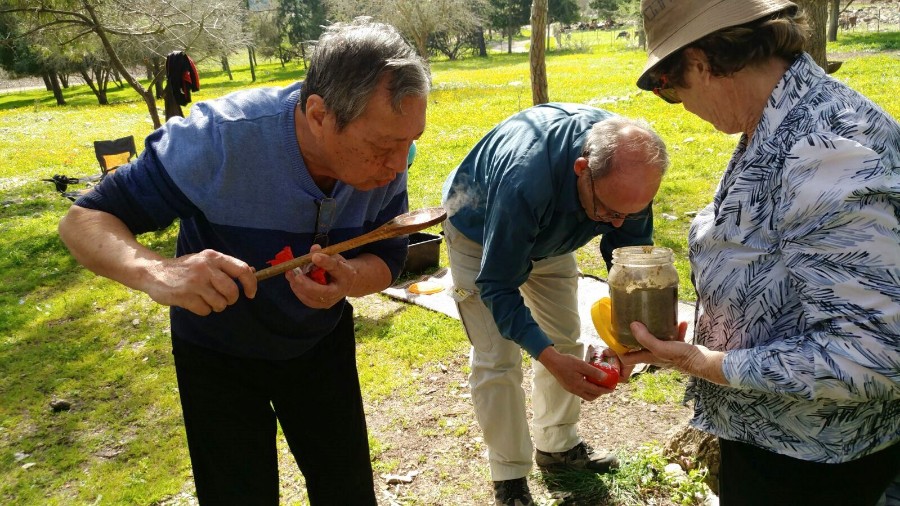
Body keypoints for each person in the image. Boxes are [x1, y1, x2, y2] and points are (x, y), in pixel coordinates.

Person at [57, 18, 429, 505]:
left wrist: (350, 280)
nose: (399, 165)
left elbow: (387, 252)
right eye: (384, 146)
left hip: (318, 344)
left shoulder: (388, 153)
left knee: (347, 491)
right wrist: (157, 271)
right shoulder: (219, 140)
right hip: (217, 351)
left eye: (410, 141)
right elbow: (84, 219)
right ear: (319, 114)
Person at [623, 1, 900, 504]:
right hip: (778, 440)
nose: (677, 102)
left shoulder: (823, 147)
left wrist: (709, 363)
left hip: (814, 462)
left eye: (668, 84)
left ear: (704, 61)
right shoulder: (778, 119)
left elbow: (876, 355)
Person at [441, 103, 670, 505]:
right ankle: (509, 477)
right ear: (582, 170)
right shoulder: (525, 179)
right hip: (480, 230)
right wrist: (545, 356)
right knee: (497, 356)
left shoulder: (631, 177)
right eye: (610, 212)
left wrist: (634, 334)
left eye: (630, 212)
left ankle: (557, 445)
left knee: (565, 337)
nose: (618, 222)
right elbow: (497, 285)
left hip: (551, 237)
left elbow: (630, 258)